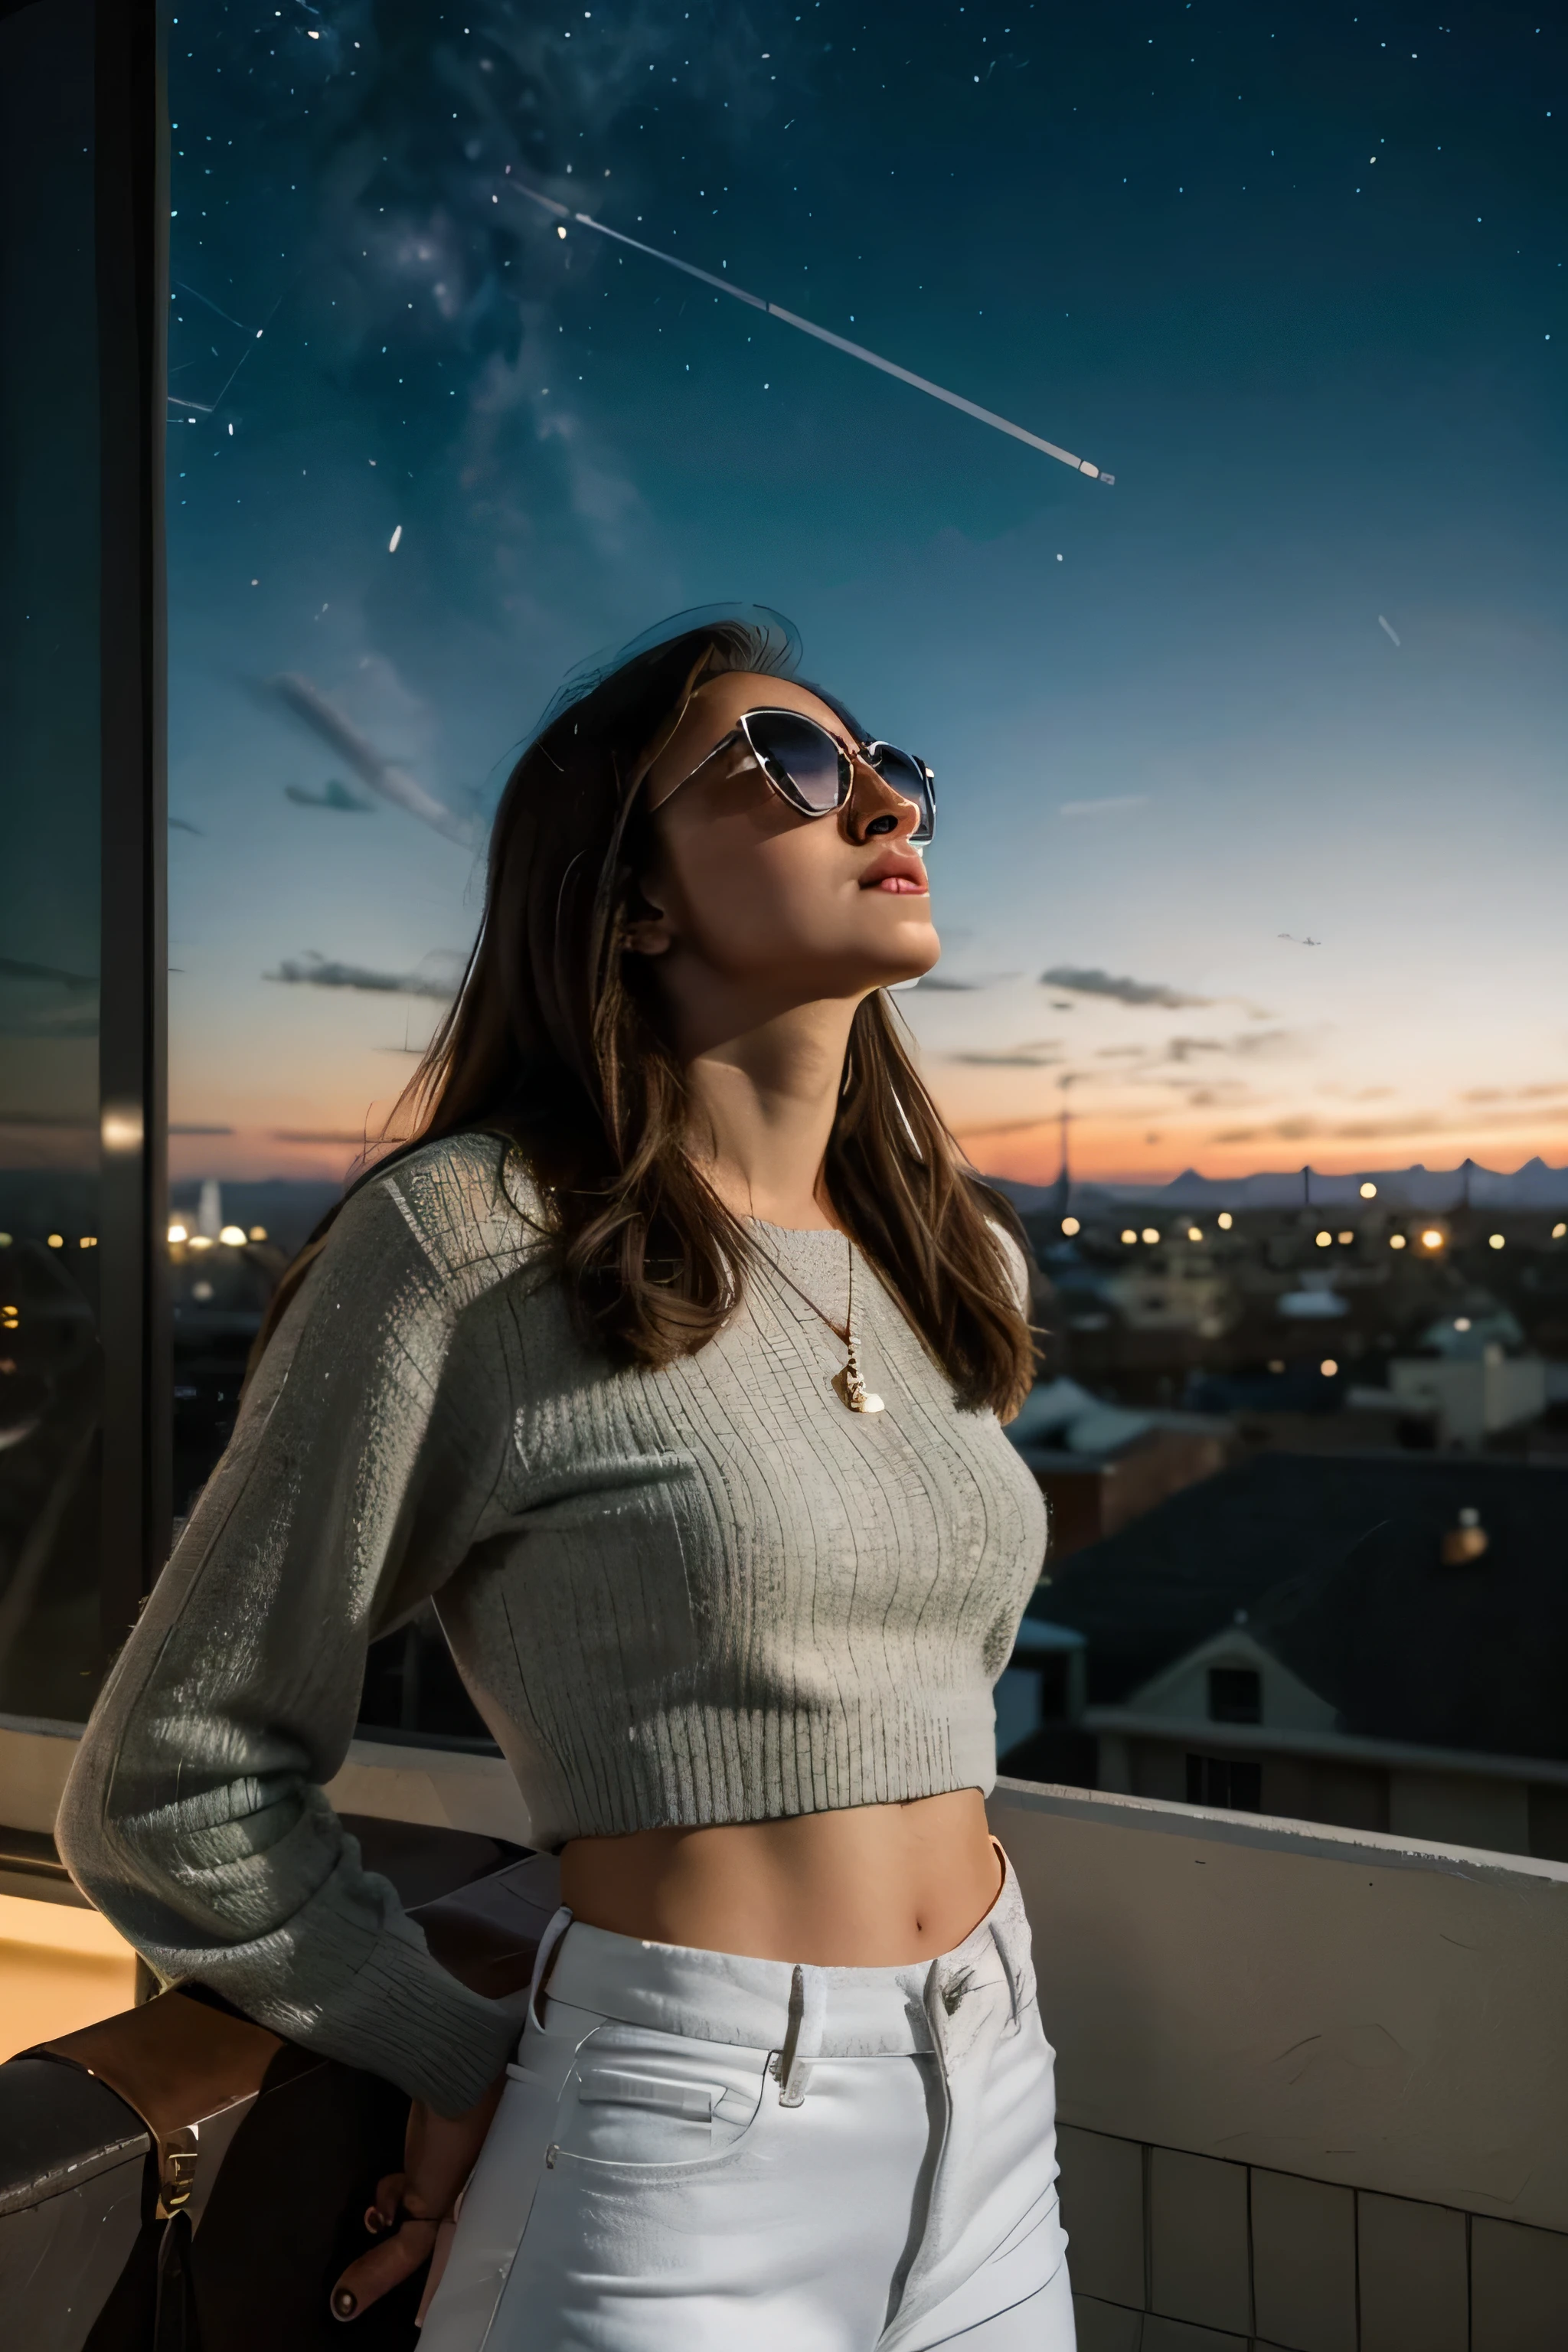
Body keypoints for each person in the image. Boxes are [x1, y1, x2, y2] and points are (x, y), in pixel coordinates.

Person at [59, 607, 1073, 2349]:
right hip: (685, 2149)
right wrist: (441, 2043)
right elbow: (172, 1780)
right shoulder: (467, 1245)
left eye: (891, 769)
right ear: (636, 894)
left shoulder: (944, 1256)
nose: (884, 809)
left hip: (992, 2103)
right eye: (795, 767)